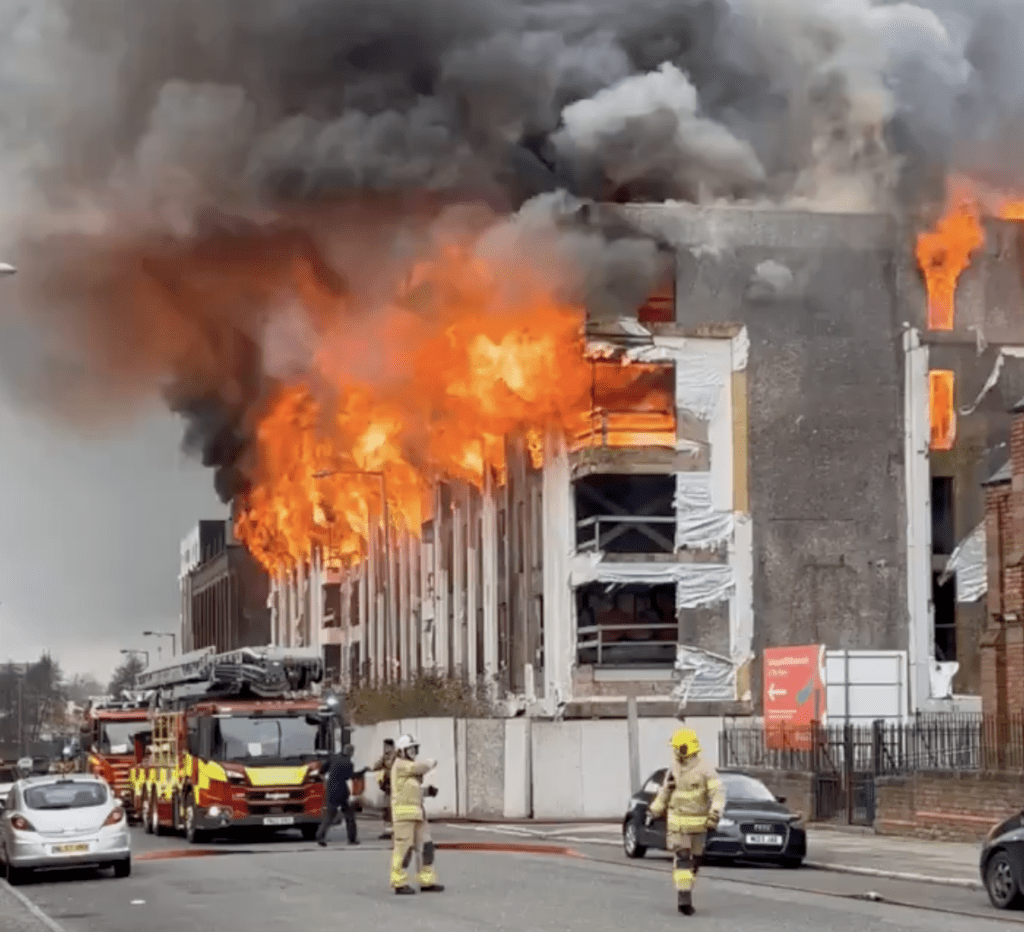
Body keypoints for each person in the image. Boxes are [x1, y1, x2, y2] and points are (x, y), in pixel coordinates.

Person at [646, 727, 725, 916]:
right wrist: (654, 810)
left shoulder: (706, 770)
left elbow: (717, 794)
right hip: (678, 824)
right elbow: (665, 791)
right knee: (683, 861)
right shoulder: (674, 769)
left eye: (676, 748)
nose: (674, 752)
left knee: (694, 862)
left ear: (685, 748)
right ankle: (684, 900)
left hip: (699, 824)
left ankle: (686, 888)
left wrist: (715, 813)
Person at [389, 733, 444, 895]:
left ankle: (427, 881)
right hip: (404, 816)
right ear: (401, 751)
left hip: (417, 814)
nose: (413, 752)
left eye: (414, 749)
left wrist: (427, 792)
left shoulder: (408, 771)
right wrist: (431, 762)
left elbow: (411, 791)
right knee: (403, 850)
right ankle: (399, 882)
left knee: (426, 847)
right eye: (410, 749)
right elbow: (419, 767)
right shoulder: (400, 765)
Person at [315, 743, 365, 847]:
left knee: (329, 814)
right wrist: (362, 772)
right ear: (351, 753)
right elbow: (349, 777)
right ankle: (352, 839)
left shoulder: (333, 757)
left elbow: (322, 770)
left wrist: (323, 777)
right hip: (341, 790)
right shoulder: (348, 763)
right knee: (349, 815)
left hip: (330, 789)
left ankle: (320, 835)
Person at [370, 738, 396, 839]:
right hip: (386, 786)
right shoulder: (385, 757)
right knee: (386, 810)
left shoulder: (397, 757)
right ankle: (388, 831)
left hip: (395, 786)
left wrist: (386, 771)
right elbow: (376, 766)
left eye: (387, 746)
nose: (385, 748)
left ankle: (394, 831)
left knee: (392, 809)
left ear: (391, 746)